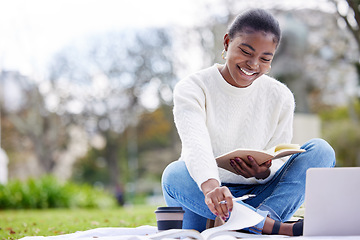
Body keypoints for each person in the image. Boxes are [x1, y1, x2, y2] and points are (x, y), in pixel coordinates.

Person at [161, 8, 335, 236]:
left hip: (260, 197)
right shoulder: (193, 87)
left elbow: (278, 155)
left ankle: (257, 221)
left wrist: (264, 172)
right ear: (227, 43)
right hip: (207, 198)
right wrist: (212, 187)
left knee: (322, 151)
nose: (253, 64)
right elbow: (196, 146)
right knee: (173, 174)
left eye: (265, 58)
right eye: (246, 52)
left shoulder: (280, 96)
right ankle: (271, 227)